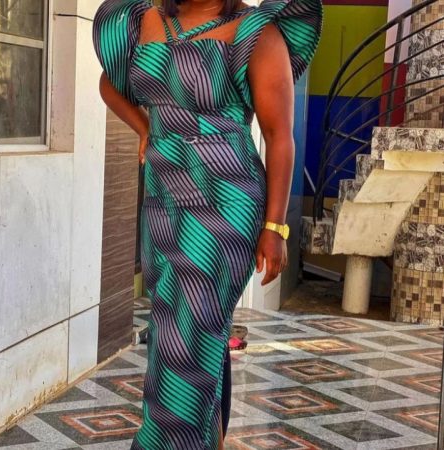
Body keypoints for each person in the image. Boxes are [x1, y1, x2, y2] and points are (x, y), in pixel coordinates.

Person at [92, 0, 322, 448]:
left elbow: (279, 136)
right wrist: (145, 128)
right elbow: (109, 84)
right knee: (186, 334)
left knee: (187, 337)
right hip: (163, 200)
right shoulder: (142, 21)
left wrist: (275, 228)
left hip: (226, 201)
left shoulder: (255, 32)